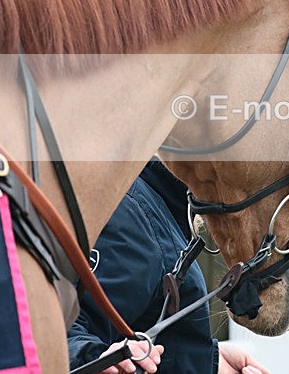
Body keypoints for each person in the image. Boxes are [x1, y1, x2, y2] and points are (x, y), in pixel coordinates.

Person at [67, 158, 269, 374]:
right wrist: (99, 360)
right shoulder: (135, 220)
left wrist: (210, 362)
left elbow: (148, 341)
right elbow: (56, 334)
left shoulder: (155, 210)